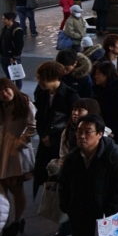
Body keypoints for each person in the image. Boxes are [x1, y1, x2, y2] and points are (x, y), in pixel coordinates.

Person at [58, 114, 118, 236]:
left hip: (104, 217)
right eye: (79, 131)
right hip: (78, 215)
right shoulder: (72, 157)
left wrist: (109, 210)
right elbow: (64, 183)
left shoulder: (113, 156)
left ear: (100, 134)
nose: (82, 136)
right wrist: (67, 206)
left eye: (88, 132)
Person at [33, 61, 79, 199]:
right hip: (45, 141)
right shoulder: (42, 94)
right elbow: (39, 118)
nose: (39, 81)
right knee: (45, 173)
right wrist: (43, 136)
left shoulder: (70, 96)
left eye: (43, 78)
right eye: (39, 77)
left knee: (60, 175)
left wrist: (53, 138)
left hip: (61, 143)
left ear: (55, 77)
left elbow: (73, 124)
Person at [0, 78, 36, 234]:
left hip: (15, 154)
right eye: (0, 92)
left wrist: (21, 143)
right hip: (2, 150)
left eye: (7, 89)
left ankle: (17, 220)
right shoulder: (2, 106)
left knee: (16, 188)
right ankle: (5, 221)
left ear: (12, 88)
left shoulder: (24, 102)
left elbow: (33, 125)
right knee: (2, 189)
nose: (4, 93)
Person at [92, 61, 118, 158]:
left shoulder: (117, 91)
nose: (95, 77)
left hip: (117, 134)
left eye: (98, 74)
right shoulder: (101, 90)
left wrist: (114, 134)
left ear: (106, 75)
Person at [0, 14, 24, 89]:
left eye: (4, 19)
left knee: (16, 75)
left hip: (12, 56)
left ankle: (17, 90)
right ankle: (11, 89)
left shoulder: (17, 30)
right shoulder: (5, 28)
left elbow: (19, 45)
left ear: (10, 19)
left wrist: (14, 56)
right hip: (4, 54)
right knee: (8, 74)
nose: (2, 21)